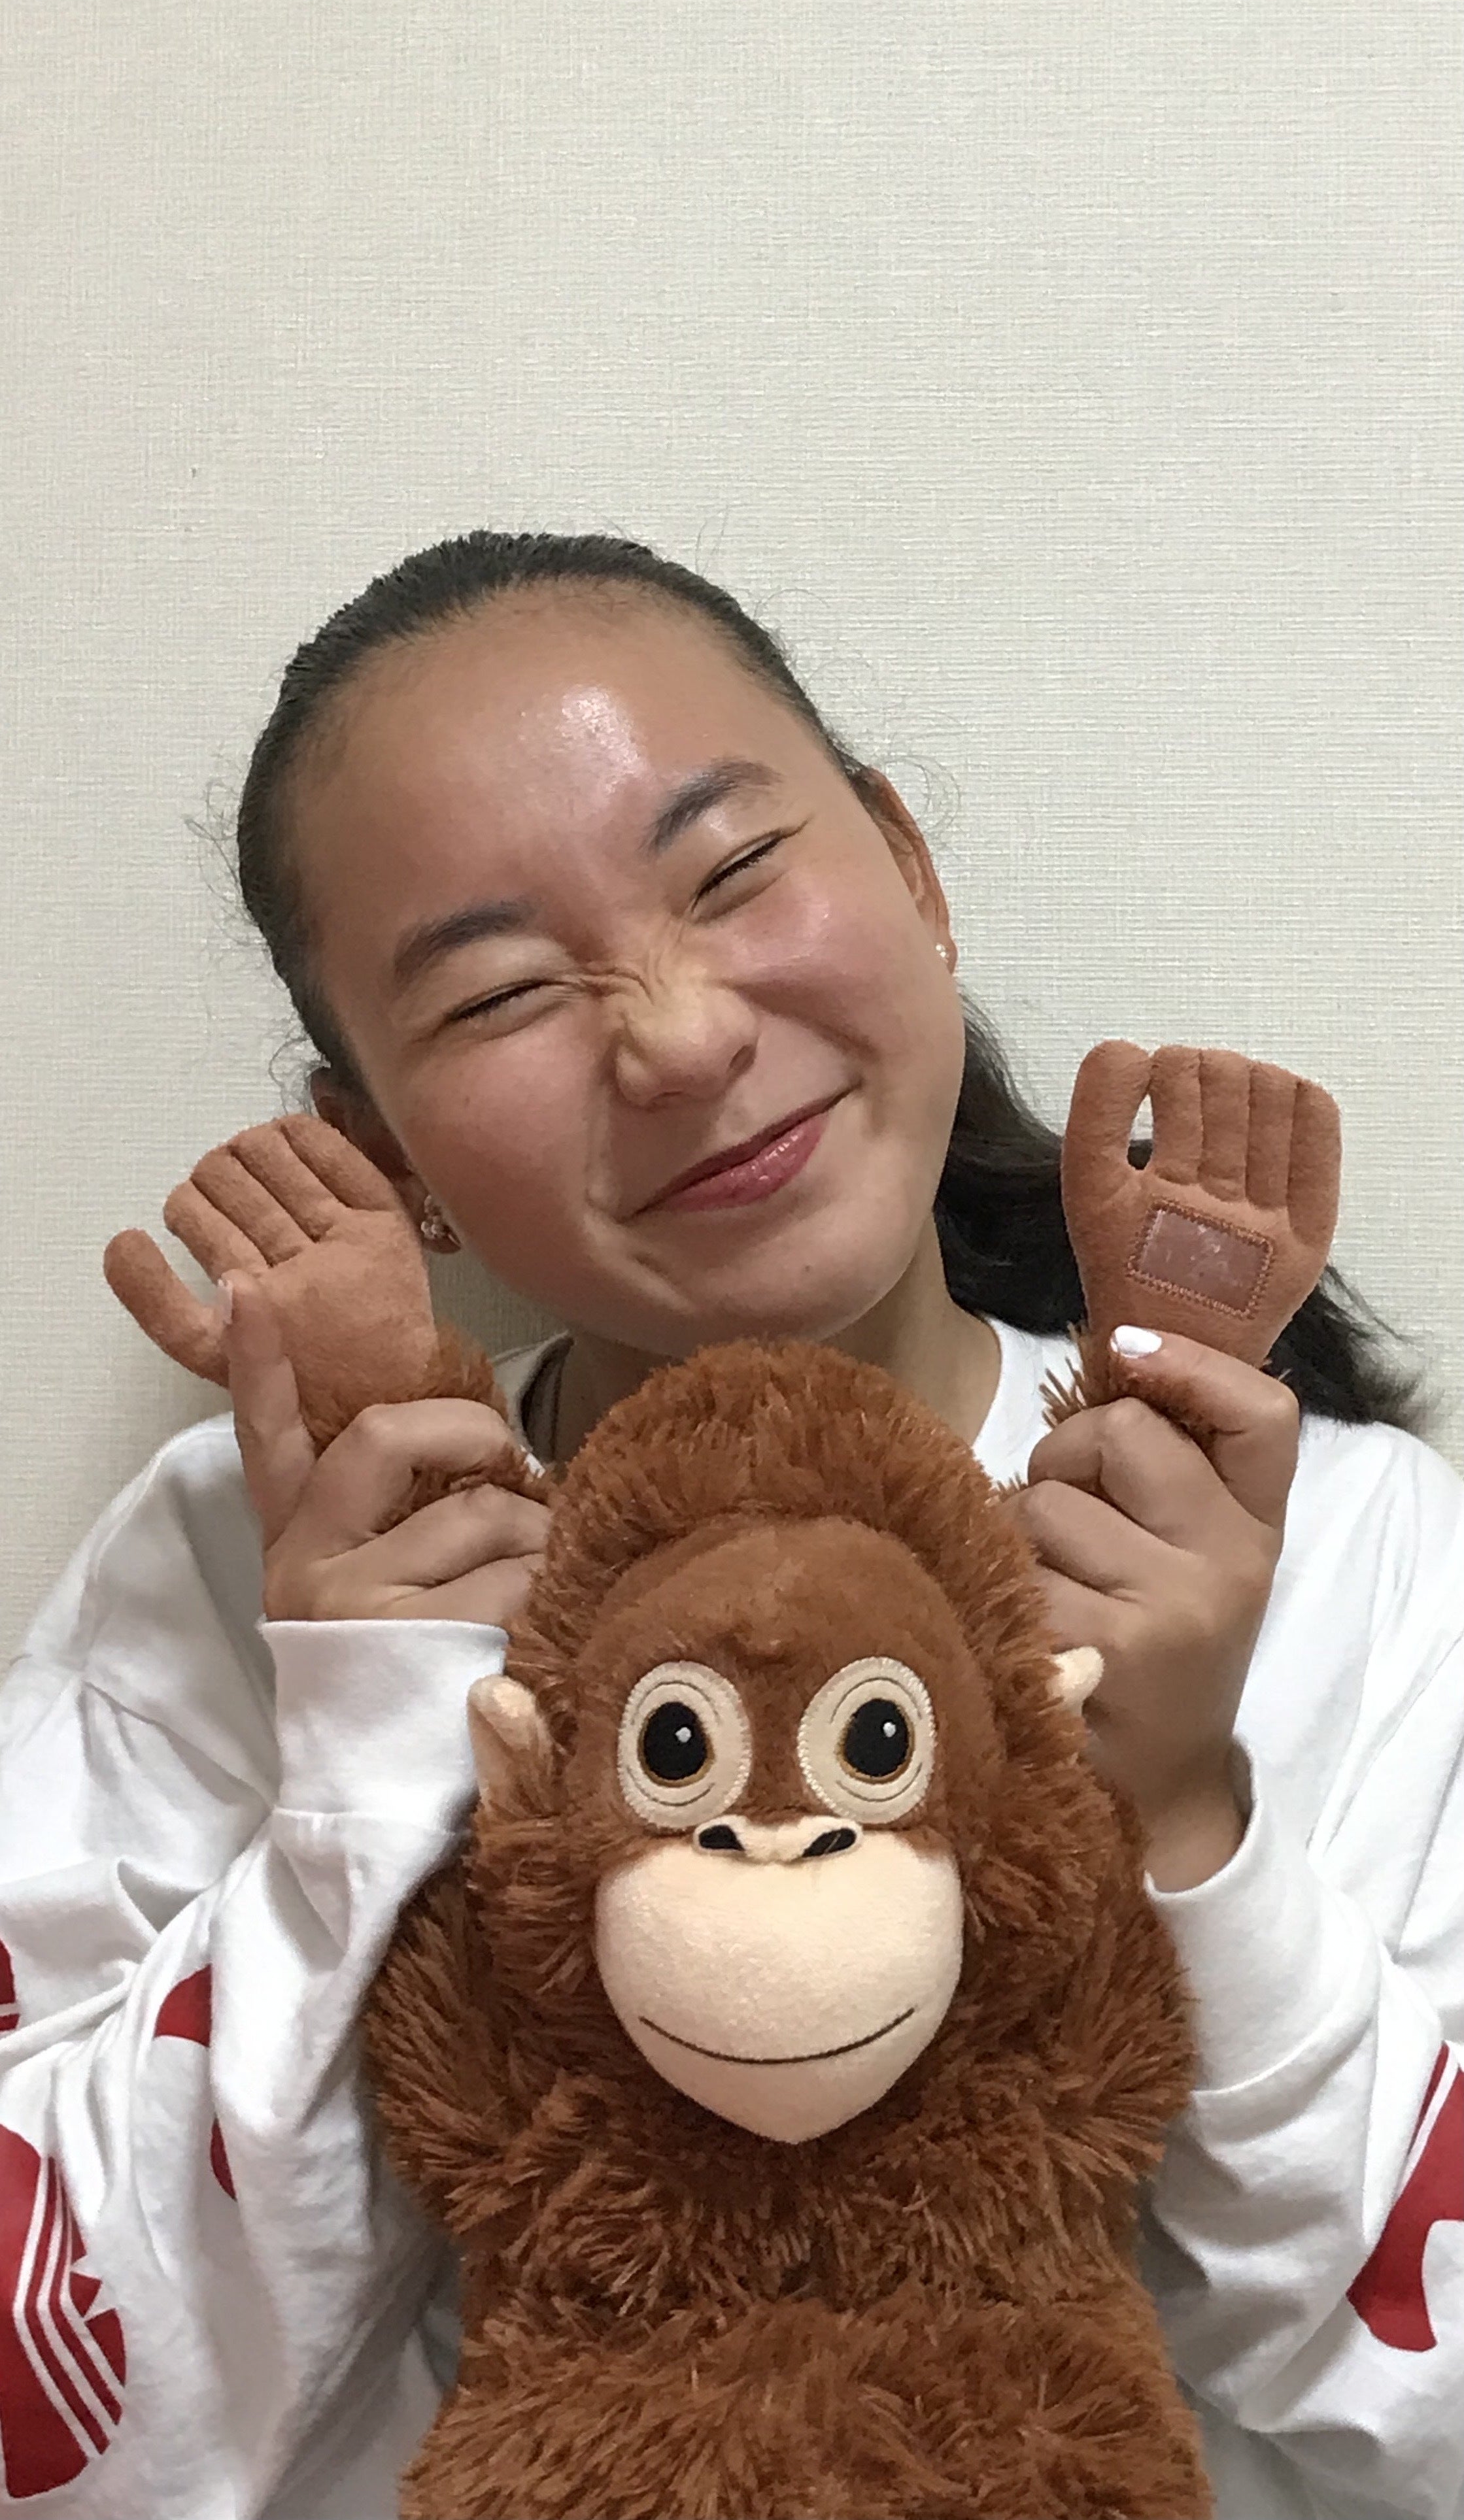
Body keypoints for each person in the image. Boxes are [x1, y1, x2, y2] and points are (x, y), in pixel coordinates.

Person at [1, 530, 1460, 2520]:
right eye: (502, 992)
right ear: (383, 1152)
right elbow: (60, 2432)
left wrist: (1193, 1826)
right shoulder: (228, 1575)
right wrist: (364, 1786)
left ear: (912, 873)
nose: (678, 1036)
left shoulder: (1355, 1553)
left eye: (735, 869)